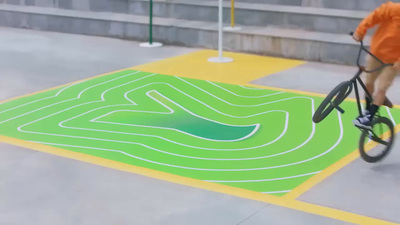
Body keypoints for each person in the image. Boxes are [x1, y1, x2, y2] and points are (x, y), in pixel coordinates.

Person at [352, 1, 400, 129]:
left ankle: (369, 117)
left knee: (382, 88)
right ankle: (367, 110)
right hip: (377, 54)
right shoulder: (392, 9)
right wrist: (360, 32)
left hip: (393, 61)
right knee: (369, 82)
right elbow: (373, 17)